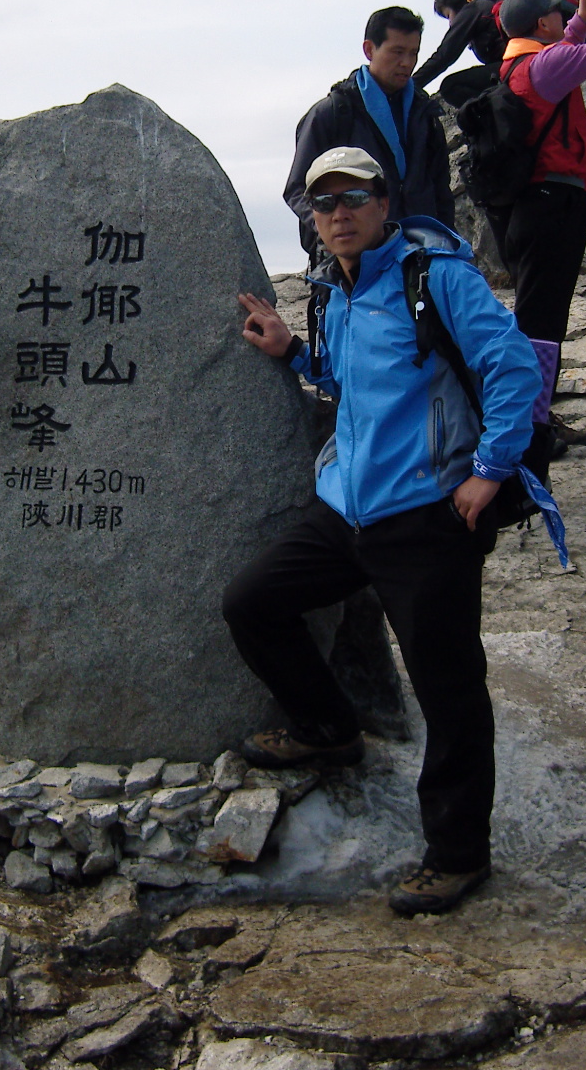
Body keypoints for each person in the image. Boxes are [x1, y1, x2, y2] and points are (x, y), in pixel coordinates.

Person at [231, 147, 544, 916]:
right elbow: (347, 378)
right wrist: (293, 351)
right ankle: (330, 727)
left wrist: (492, 469)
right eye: (321, 203)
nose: (337, 213)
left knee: (450, 693)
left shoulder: (433, 278)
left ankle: (458, 854)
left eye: (352, 198)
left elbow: (512, 369)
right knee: (252, 603)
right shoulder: (331, 292)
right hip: (348, 511)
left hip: (430, 517)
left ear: (382, 202)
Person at [485, 0, 586, 409]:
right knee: (542, 326)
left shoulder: (518, 66)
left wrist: (582, 19)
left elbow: (564, 52)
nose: (560, 15)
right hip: (555, 206)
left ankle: (534, 418)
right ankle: (529, 425)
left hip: (533, 207)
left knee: (539, 317)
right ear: (541, 23)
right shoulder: (545, 66)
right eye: (555, 12)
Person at [282, 5, 454, 258]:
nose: (406, 63)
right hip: (356, 259)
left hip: (420, 252)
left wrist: (449, 242)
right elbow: (297, 188)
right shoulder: (333, 113)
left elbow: (441, 189)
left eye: (413, 53)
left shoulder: (425, 114)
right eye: (397, 52)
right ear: (369, 49)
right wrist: (334, 234)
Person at [412, 0, 507, 96]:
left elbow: (444, 55)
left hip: (512, 68)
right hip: (521, 63)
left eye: (448, 15)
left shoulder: (473, 9)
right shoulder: (489, 5)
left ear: (457, 3)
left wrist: (411, 85)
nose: (450, 23)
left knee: (451, 86)